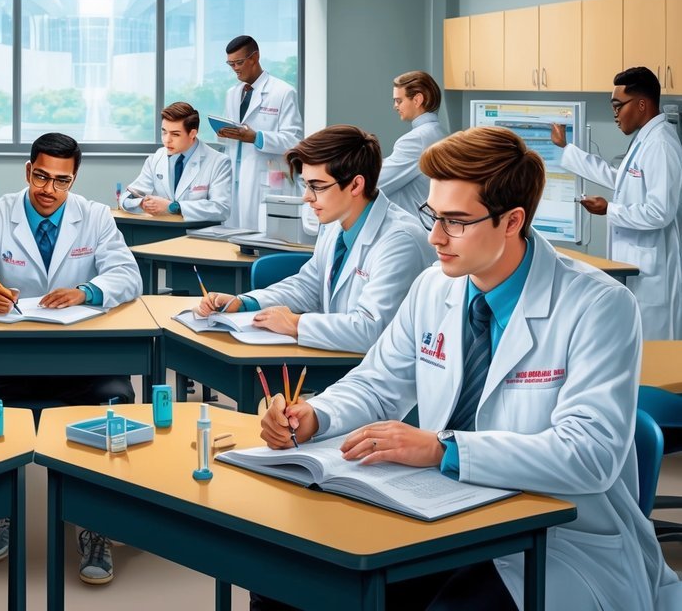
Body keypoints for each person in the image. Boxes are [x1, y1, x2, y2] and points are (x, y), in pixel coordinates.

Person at [255, 126, 681, 610]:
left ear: (512, 220)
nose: (435, 236)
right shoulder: (433, 287)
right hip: (443, 513)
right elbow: (377, 385)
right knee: (286, 585)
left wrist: (442, 448)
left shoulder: (599, 305)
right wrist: (316, 415)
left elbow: (590, 455)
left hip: (556, 539)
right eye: (432, 215)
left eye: (455, 221)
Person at [0, 132, 141, 585]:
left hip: (84, 362)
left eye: (62, 181)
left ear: (75, 180)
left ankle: (97, 525)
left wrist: (87, 291)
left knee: (115, 404)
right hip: (10, 362)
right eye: (42, 177)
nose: (50, 190)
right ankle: (3, 511)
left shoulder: (94, 218)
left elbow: (127, 275)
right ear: (28, 170)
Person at [195, 125, 431, 353]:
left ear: (356, 184)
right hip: (342, 362)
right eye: (306, 185)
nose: (307, 197)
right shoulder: (335, 223)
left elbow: (371, 329)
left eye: (317, 187)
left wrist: (296, 324)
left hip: (381, 379)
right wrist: (245, 303)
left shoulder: (400, 240)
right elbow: (309, 284)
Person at [553, 66, 682, 340]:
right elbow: (621, 178)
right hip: (636, 268)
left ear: (642, 104)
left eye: (617, 106)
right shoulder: (645, 139)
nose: (615, 114)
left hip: (652, 274)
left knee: (653, 355)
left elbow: (661, 212)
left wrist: (608, 209)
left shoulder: (661, 145)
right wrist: (567, 150)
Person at [216, 36, 302, 231]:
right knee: (232, 239)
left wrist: (257, 137)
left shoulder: (283, 92)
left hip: (266, 180)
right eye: (230, 64)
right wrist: (222, 132)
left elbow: (294, 140)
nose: (235, 68)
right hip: (235, 178)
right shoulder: (232, 93)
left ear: (255, 57)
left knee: (263, 238)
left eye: (239, 62)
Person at [120, 101, 232, 222]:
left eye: (175, 134)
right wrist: (141, 203)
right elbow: (127, 196)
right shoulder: (157, 157)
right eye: (164, 132)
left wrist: (173, 207)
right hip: (164, 229)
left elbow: (221, 209)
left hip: (199, 234)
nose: (167, 140)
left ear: (192, 133)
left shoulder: (218, 162)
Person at [377, 70, 446, 211]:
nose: (395, 106)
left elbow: (375, 184)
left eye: (399, 100)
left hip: (415, 224)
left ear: (417, 100)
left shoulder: (415, 140)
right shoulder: (440, 133)